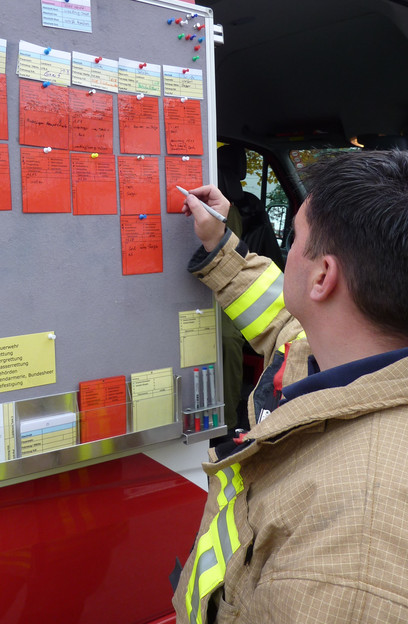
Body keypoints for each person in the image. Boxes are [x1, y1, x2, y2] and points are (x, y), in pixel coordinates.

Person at [172, 150, 408, 624]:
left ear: (323, 276)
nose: (287, 252)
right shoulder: (329, 348)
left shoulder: (351, 562)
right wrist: (219, 242)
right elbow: (280, 318)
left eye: (295, 238)